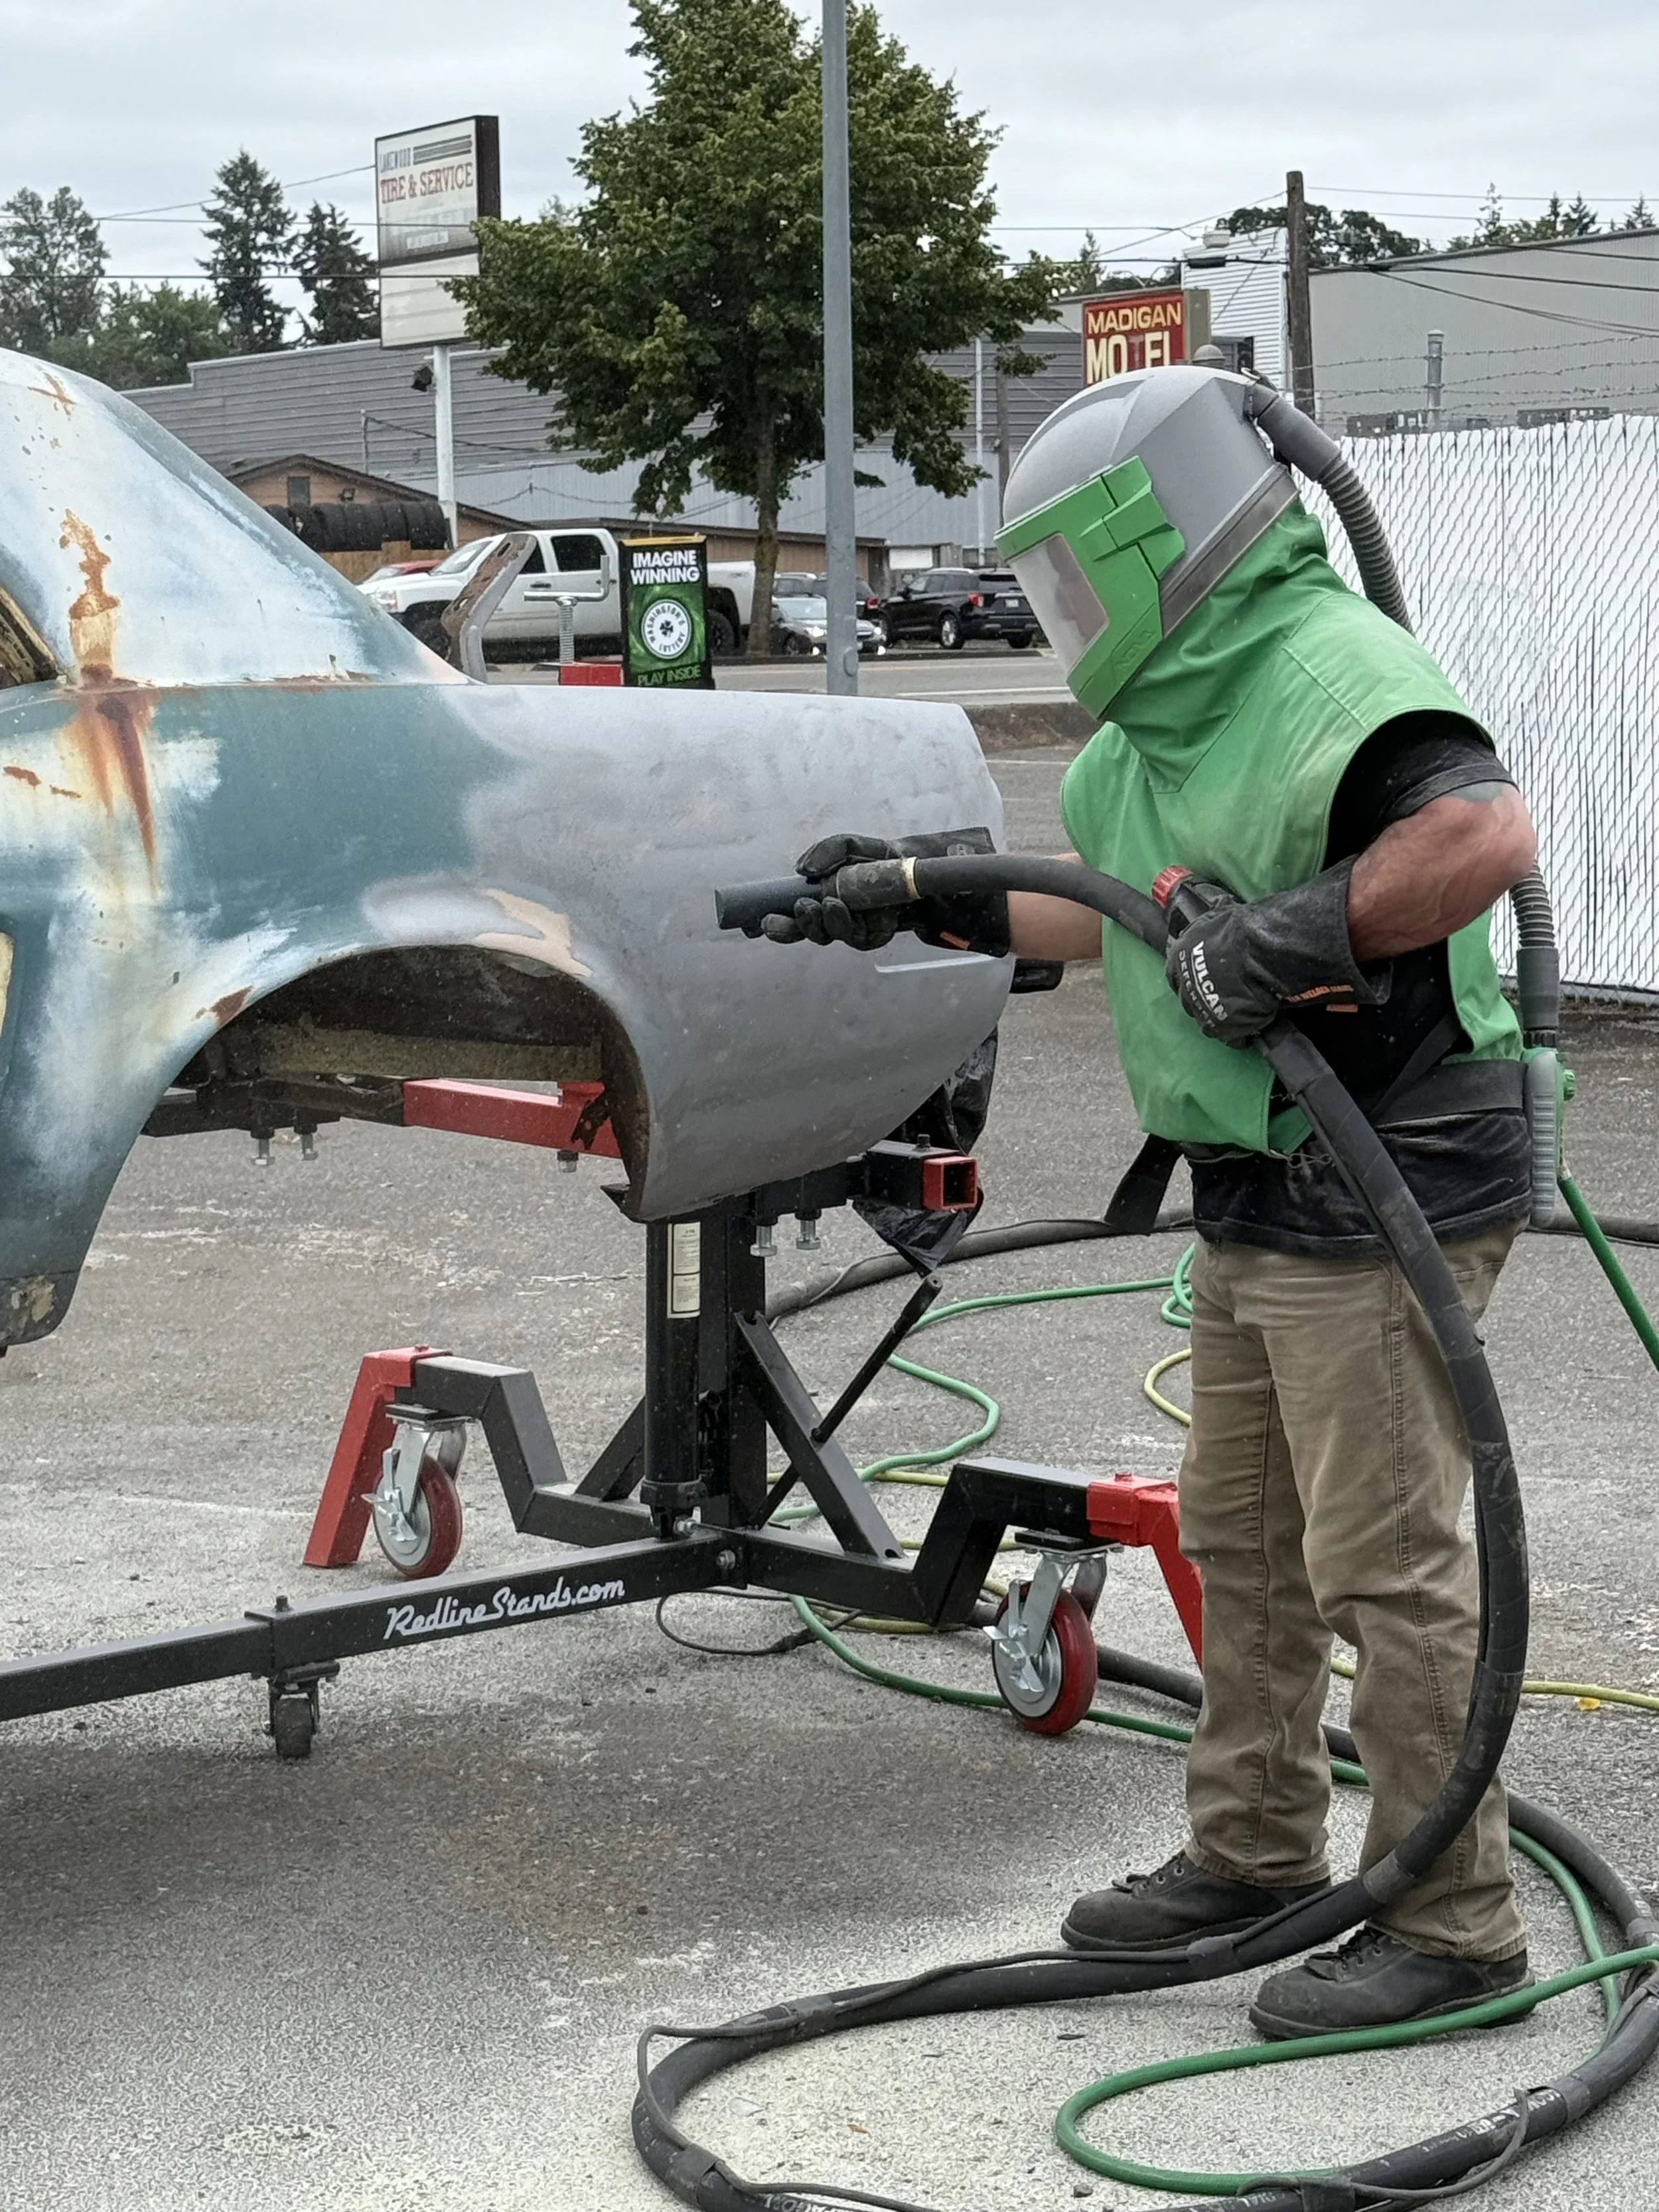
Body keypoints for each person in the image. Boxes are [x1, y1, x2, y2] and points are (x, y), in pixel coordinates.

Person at [763, 366, 1539, 2039]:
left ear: (1156, 539)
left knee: (1382, 1561)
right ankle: (1255, 1853)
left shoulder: (1327, 666)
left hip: (1389, 1162)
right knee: (1246, 1542)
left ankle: (1455, 1926)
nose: (1056, 612)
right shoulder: (1153, 728)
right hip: (1258, 1176)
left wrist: (1280, 940)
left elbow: (1474, 837)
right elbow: (1107, 915)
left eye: (1065, 577)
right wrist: (924, 900)